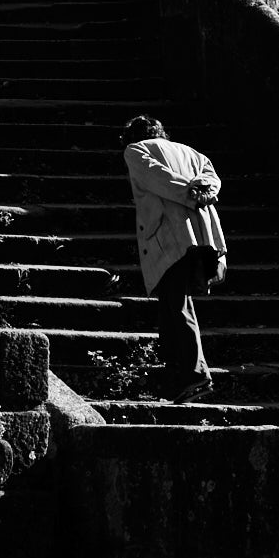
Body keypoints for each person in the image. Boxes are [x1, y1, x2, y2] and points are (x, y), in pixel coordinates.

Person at [120, 114, 227, 404]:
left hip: (170, 237)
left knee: (177, 305)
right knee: (171, 304)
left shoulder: (136, 151)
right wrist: (199, 191)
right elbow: (212, 181)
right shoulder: (192, 153)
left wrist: (189, 193)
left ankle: (196, 375)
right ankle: (176, 377)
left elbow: (159, 178)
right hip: (202, 237)